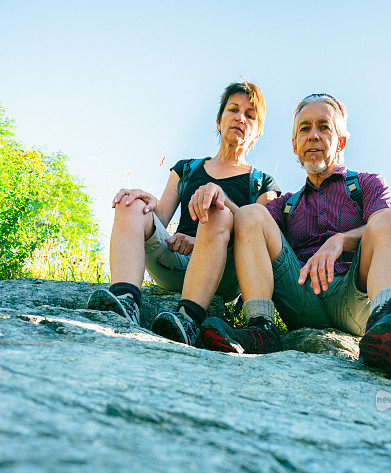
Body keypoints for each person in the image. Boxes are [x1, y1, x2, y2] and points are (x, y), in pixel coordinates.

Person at [200, 93, 391, 377]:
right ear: (295, 146)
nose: (313, 135)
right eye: (304, 129)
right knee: (251, 214)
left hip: (353, 297)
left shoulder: (367, 183)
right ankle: (260, 328)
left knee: (390, 218)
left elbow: (385, 230)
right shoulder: (288, 203)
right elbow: (245, 222)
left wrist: (340, 240)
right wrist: (219, 195)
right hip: (300, 297)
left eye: (323, 127)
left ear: (340, 141)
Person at [87, 81, 280, 345]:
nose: (239, 118)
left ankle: (188, 319)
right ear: (218, 120)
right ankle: (125, 301)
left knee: (217, 211)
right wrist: (145, 203)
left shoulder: (262, 183)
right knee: (130, 204)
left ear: (257, 132)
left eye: (250, 115)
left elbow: (259, 239)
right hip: (175, 261)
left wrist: (203, 240)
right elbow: (161, 217)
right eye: (233, 109)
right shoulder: (186, 168)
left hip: (224, 271)